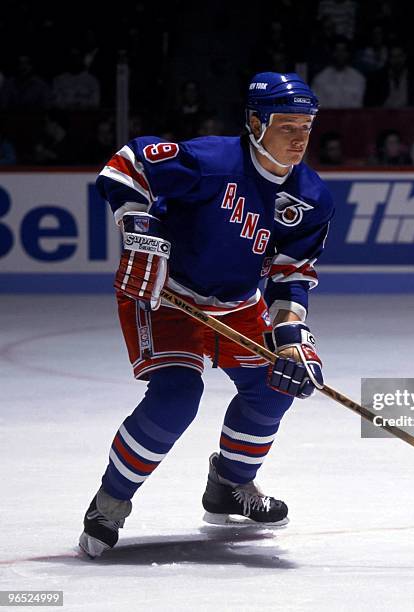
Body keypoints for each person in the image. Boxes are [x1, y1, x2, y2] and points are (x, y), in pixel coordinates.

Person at [80, 72, 334, 558]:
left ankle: (228, 487)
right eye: (287, 126)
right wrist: (139, 231)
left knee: (274, 385)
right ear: (256, 123)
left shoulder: (310, 198)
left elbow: (291, 273)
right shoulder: (211, 161)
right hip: (168, 293)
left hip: (238, 301)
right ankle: (110, 501)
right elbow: (126, 166)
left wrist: (291, 336)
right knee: (178, 395)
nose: (300, 138)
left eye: (307, 126)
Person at [311, 38, 366, 108]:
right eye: (337, 51)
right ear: (332, 53)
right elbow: (316, 107)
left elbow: (359, 106)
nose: (340, 54)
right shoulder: (320, 79)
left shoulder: (358, 78)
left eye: (343, 51)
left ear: (348, 53)